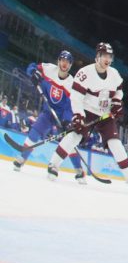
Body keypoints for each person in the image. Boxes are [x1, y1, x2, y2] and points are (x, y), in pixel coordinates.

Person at [46, 43, 128, 192]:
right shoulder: (85, 73)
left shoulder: (114, 74)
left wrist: (116, 101)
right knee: (74, 136)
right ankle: (53, 164)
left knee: (115, 143)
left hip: (105, 114)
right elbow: (76, 97)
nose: (107, 59)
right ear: (97, 57)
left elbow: (119, 91)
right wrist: (78, 115)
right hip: (87, 111)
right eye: (104, 56)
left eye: (110, 56)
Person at [13, 51, 85, 183]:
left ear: (70, 65)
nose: (64, 63)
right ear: (58, 61)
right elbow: (32, 67)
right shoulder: (48, 68)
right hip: (48, 111)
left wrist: (66, 120)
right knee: (35, 131)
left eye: (67, 61)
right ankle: (22, 158)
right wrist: (33, 73)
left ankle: (79, 170)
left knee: (68, 142)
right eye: (62, 60)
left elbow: (70, 106)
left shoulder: (72, 83)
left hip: (63, 116)